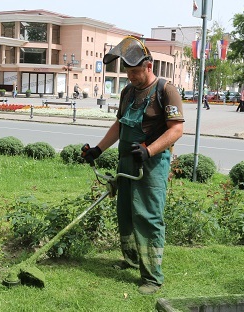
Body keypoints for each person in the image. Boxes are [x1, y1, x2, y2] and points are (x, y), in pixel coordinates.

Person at [80, 35, 184, 295]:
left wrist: (149, 151)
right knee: (125, 213)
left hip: (151, 166)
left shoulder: (166, 90)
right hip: (126, 161)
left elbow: (177, 130)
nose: (131, 77)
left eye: (136, 72)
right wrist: (98, 149)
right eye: (128, 72)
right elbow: (119, 125)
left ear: (149, 67)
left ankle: (152, 277)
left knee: (147, 218)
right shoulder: (128, 91)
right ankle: (131, 260)